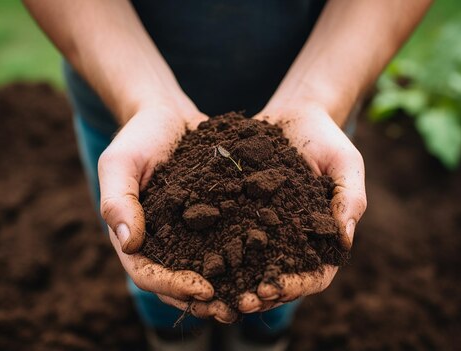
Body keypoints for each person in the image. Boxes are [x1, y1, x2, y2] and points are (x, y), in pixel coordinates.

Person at [24, 1, 432, 350]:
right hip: (123, 105)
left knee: (281, 282)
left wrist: (319, 96)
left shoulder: (299, 153)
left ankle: (263, 339)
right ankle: (173, 338)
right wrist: (144, 100)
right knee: (145, 254)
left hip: (316, 115)